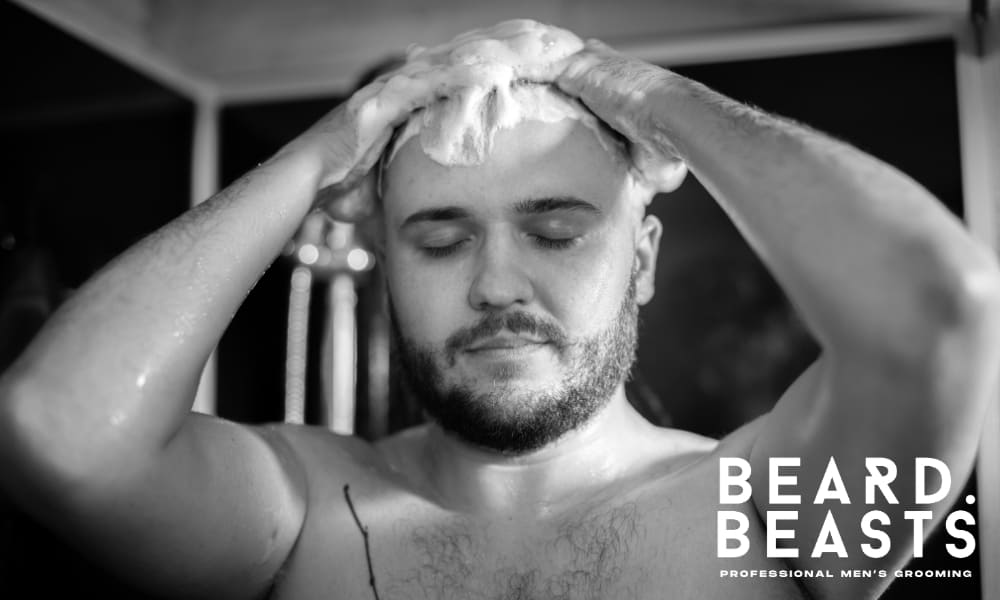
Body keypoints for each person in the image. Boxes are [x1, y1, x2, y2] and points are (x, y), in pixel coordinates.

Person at [1, 19, 997, 600]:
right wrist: (331, 148)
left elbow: (936, 308)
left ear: (641, 259)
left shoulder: (766, 512)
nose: (496, 283)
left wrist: (644, 96)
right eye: (438, 239)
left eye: (556, 230)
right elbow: (59, 432)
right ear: (388, 263)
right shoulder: (297, 516)